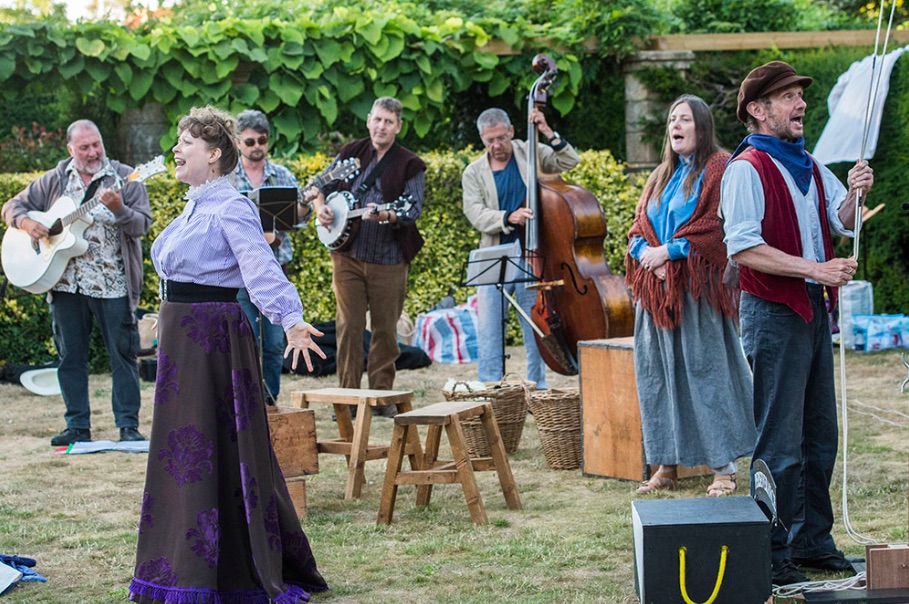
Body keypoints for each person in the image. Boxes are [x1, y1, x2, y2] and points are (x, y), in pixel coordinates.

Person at [129, 106, 328, 603]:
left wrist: (290, 319)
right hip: (183, 343)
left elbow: (259, 268)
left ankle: (223, 569)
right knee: (184, 452)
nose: (176, 149)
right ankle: (176, 565)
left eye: (187, 143)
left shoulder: (232, 207)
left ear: (215, 154)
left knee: (214, 448)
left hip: (212, 342)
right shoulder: (194, 207)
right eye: (178, 141)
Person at [720, 61, 873, 586]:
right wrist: (817, 269)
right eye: (788, 96)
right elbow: (743, 248)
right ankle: (772, 549)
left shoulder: (807, 163)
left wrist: (854, 194)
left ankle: (812, 541)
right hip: (771, 312)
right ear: (758, 110)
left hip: (810, 309)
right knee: (780, 441)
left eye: (799, 95)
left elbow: (840, 221)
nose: (801, 103)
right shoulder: (746, 168)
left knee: (818, 435)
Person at [625, 95, 755, 497]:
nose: (675, 126)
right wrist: (647, 256)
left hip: (697, 295)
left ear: (702, 125)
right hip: (656, 297)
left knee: (707, 375)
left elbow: (716, 228)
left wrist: (670, 252)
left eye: (684, 119)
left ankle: (723, 468)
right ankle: (665, 466)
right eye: (671, 119)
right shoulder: (660, 175)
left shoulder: (718, 167)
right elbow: (637, 229)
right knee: (658, 380)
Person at [2, 119, 152, 446]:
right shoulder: (56, 179)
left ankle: (128, 426)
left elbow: (142, 226)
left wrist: (120, 209)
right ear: (70, 149)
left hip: (113, 284)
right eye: (84, 147)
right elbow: (11, 206)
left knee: (123, 355)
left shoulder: (126, 177)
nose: (93, 152)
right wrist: (27, 223)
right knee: (70, 357)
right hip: (65, 285)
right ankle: (77, 426)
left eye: (97, 144)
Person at [309, 96, 425, 417]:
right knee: (349, 326)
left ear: (398, 126)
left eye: (388, 121)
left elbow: (412, 208)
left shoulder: (410, 164)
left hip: (389, 259)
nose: (381, 126)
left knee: (385, 330)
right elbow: (319, 185)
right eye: (377, 119)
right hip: (347, 255)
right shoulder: (351, 152)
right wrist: (321, 209)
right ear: (368, 121)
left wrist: (386, 215)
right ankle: (346, 400)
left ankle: (381, 398)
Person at [461, 107, 580, 390]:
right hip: (494, 256)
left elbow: (570, 160)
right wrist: (507, 217)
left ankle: (536, 386)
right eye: (490, 140)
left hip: (533, 255)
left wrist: (547, 131)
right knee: (490, 330)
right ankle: (491, 388)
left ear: (511, 131)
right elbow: (474, 212)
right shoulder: (473, 171)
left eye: (501, 138)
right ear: (482, 139)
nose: (496, 145)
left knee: (535, 328)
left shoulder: (530, 151)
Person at [231, 109, 311, 405]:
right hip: (239, 271)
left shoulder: (283, 175)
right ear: (238, 142)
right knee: (245, 338)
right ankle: (246, 400)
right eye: (250, 141)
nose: (257, 147)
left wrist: (306, 204)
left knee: (275, 342)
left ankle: (270, 401)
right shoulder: (227, 178)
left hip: (275, 267)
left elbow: (299, 218)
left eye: (262, 140)